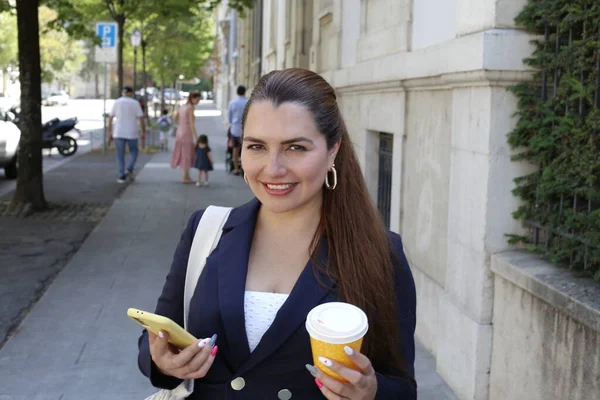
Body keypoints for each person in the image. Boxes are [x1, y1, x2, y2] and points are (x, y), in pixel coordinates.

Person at [137, 68, 417, 399]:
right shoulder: (207, 230)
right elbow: (156, 341)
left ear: (332, 151)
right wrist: (163, 361)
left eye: (295, 148)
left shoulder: (378, 252)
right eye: (256, 146)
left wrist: (371, 391)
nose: (273, 168)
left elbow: (402, 387)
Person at [107, 86, 145, 183]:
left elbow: (111, 118)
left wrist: (109, 131)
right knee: (134, 151)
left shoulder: (117, 102)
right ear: (131, 93)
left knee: (120, 155)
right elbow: (141, 118)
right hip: (132, 132)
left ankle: (121, 176)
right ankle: (129, 168)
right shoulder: (135, 103)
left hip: (118, 132)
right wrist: (143, 132)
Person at [170, 91, 201, 183]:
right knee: (187, 154)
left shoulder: (182, 106)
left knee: (183, 153)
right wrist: (196, 137)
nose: (198, 102)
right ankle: (185, 177)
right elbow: (192, 124)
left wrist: (181, 124)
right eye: (198, 100)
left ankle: (187, 176)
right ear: (193, 98)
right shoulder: (190, 108)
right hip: (187, 133)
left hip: (180, 131)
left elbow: (174, 118)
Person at [227, 85, 247, 175]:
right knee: (245, 150)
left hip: (235, 129)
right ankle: (244, 168)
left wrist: (232, 122)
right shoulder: (248, 102)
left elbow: (229, 117)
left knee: (235, 150)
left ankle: (236, 169)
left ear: (237, 92)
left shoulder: (232, 102)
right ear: (244, 92)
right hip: (246, 129)